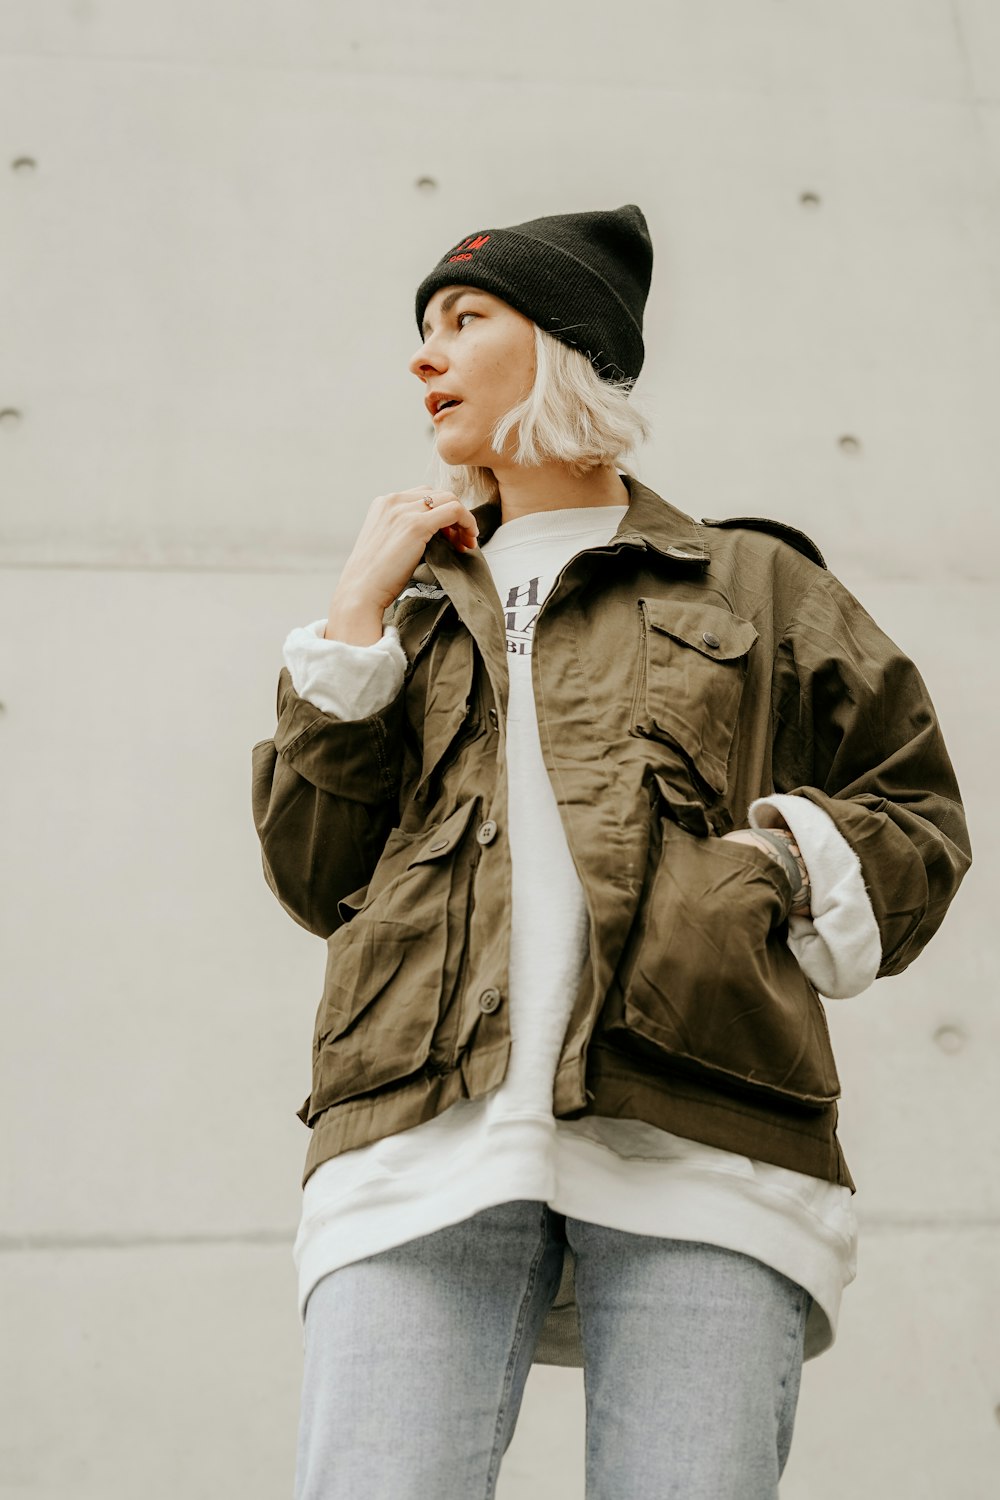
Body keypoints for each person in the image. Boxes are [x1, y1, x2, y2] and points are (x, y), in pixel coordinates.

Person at [251, 205, 971, 1499]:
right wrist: (351, 620)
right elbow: (317, 875)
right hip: (417, 1135)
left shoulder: (751, 580)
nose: (426, 357)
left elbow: (915, 808)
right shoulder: (406, 614)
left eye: (466, 319)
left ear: (570, 343)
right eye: (421, 329)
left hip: (703, 1134)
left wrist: (777, 870)